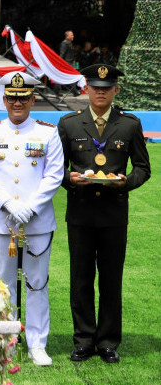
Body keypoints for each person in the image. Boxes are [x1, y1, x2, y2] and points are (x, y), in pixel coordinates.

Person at [57, 64, 150, 364]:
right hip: (81, 214)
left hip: (113, 215)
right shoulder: (69, 123)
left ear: (115, 91)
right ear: (86, 88)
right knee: (81, 279)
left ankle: (108, 341)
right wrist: (69, 179)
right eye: (95, 87)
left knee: (111, 279)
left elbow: (143, 168)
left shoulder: (129, 124)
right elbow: (56, 169)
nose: (100, 92)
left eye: (106, 88)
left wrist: (126, 183)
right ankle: (83, 339)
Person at [0, 71, 64, 367]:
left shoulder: (48, 132)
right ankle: (6, 343)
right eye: (12, 97)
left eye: (23, 98)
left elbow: (54, 175)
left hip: (37, 223)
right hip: (1, 221)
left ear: (33, 99)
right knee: (3, 284)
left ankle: (38, 344)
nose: (17, 103)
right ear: (4, 99)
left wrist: (31, 207)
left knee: (37, 283)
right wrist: (8, 204)